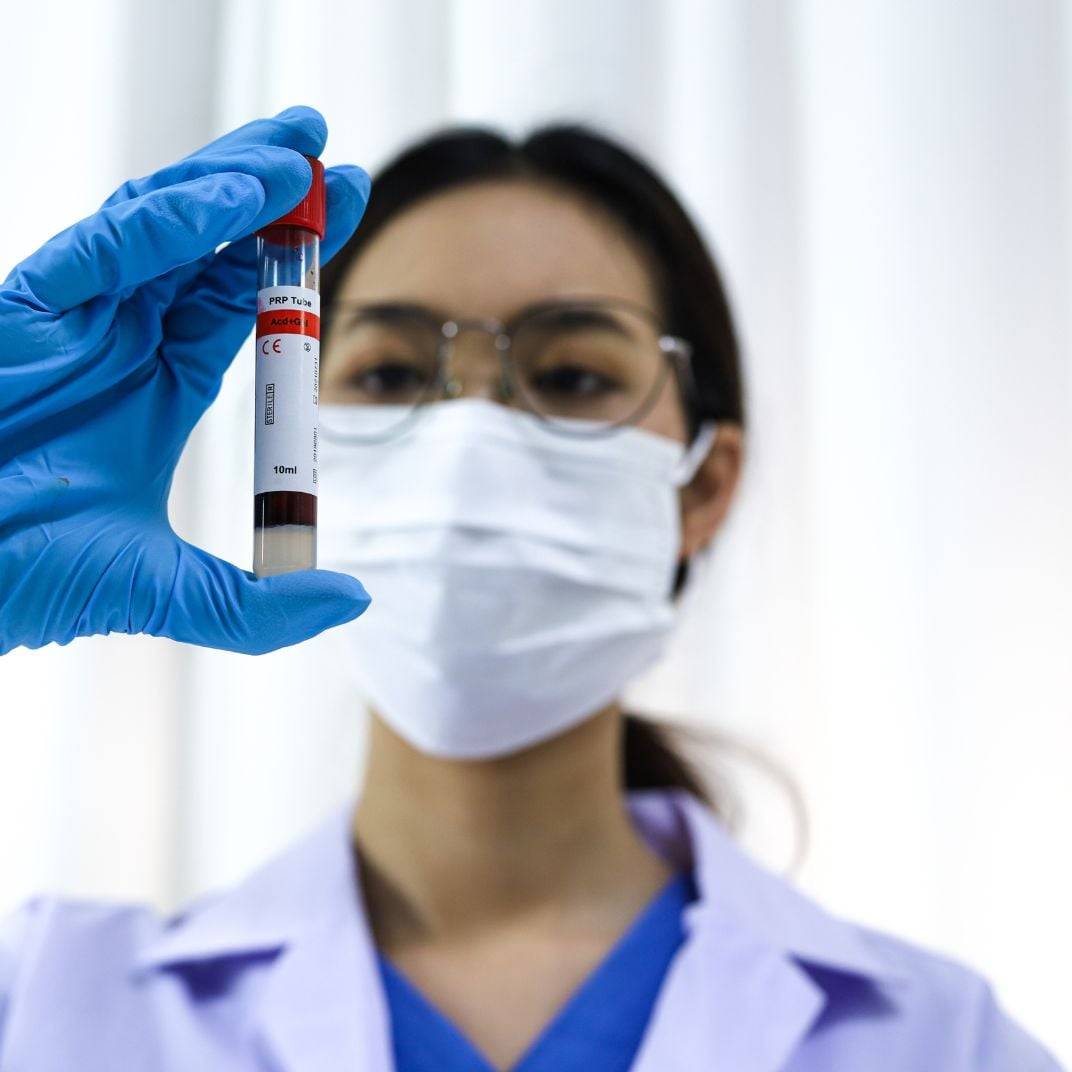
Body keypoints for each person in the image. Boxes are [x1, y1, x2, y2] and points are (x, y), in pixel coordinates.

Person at [0, 106, 1061, 1072]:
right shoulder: (42, 1009)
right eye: (391, 372)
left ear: (703, 487)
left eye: (570, 377)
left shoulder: (946, 1044)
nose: (469, 440)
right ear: (295, 448)